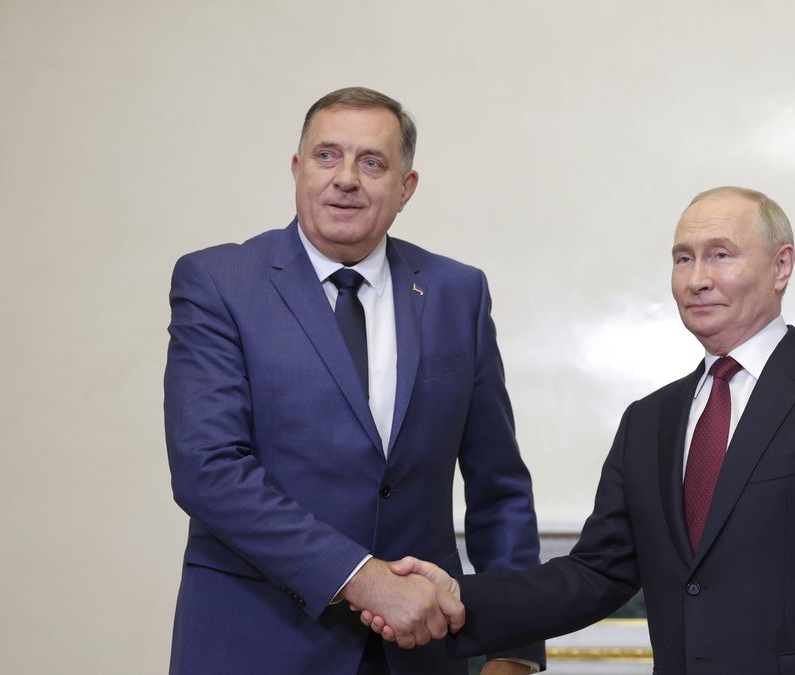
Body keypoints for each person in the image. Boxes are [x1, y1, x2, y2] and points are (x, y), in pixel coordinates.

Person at [367, 187, 795, 674]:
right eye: (683, 258)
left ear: (782, 266)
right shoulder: (649, 420)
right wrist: (455, 595)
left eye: (721, 255)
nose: (697, 279)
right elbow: (594, 574)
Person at [163, 86, 543, 675]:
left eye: (372, 163)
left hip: (420, 655)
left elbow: (499, 486)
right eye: (326, 156)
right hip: (256, 643)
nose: (346, 178)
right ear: (297, 170)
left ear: (405, 188)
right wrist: (362, 579)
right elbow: (208, 469)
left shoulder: (456, 293)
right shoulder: (219, 284)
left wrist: (515, 651)